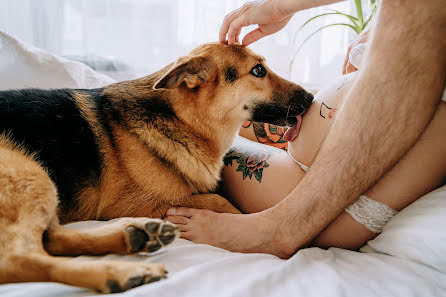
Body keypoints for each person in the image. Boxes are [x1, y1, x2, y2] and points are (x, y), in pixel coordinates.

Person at [166, 0, 446, 258]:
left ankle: (278, 230)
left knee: (189, 140)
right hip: (310, 152)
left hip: (320, 198)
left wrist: (279, 5)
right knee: (197, 109)